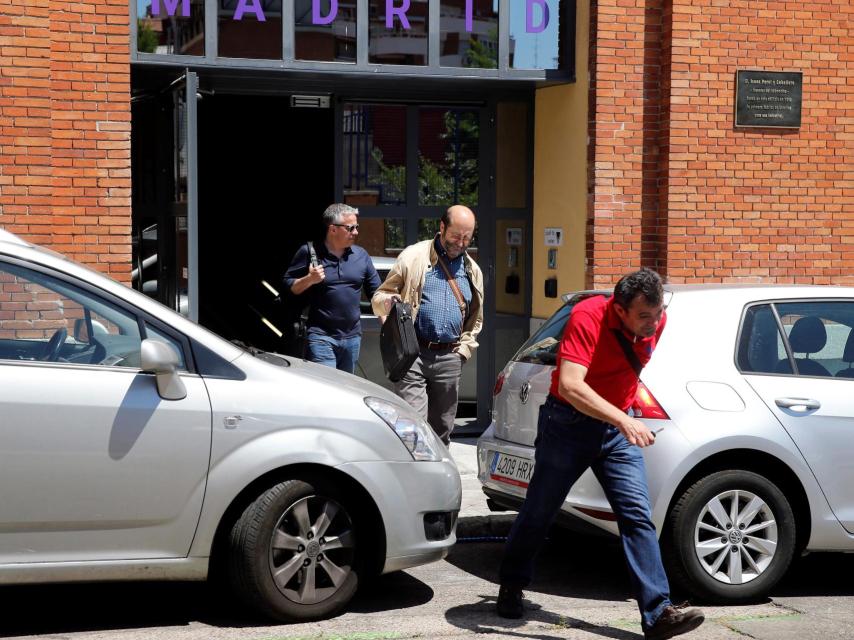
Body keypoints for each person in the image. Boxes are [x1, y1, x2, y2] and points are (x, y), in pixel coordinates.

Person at [496, 268, 704, 640]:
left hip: (614, 431)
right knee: (540, 511)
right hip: (568, 424)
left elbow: (626, 370)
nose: (654, 322)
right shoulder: (587, 316)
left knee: (637, 516)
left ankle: (658, 614)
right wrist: (624, 419)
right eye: (644, 315)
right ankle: (511, 583)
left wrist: (622, 416)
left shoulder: (656, 319)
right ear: (619, 309)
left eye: (658, 313)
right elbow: (570, 385)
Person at [371, 205, 483, 445]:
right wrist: (389, 302)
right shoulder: (413, 257)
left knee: (442, 428)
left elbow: (476, 318)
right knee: (413, 426)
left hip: (450, 356)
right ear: (442, 227)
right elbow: (379, 297)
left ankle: (437, 468)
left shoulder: (472, 270)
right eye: (456, 235)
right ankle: (412, 468)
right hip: (414, 354)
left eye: (467, 238)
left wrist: (462, 352)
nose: (461, 243)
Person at [283, 203, 381, 374]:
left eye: (357, 227)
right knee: (328, 384)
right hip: (321, 337)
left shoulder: (361, 255)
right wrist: (309, 279)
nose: (356, 232)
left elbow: (377, 292)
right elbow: (288, 287)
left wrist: (388, 311)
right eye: (350, 228)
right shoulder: (309, 252)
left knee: (346, 386)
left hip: (353, 338)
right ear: (333, 229)